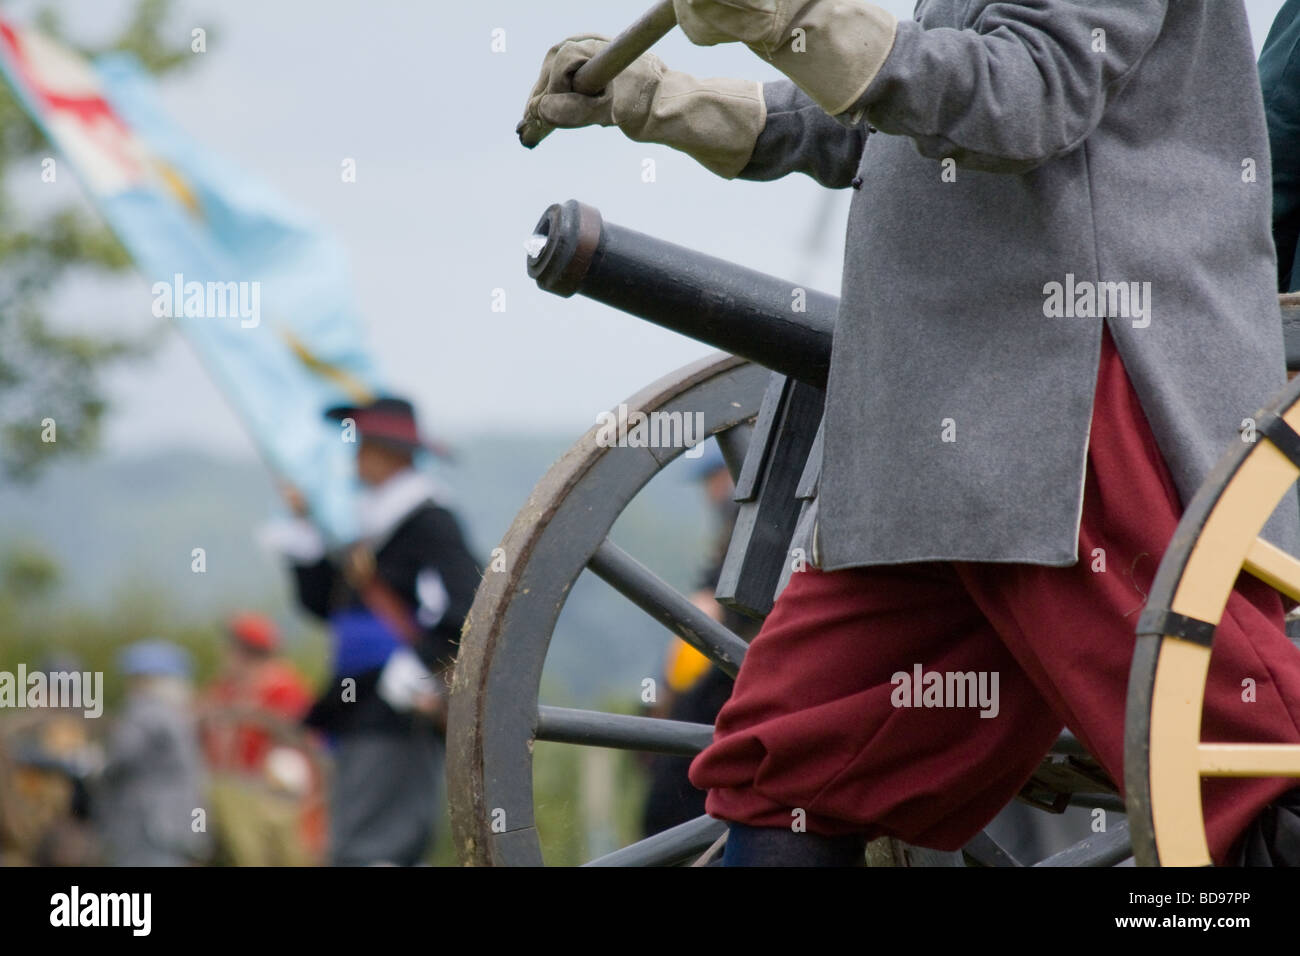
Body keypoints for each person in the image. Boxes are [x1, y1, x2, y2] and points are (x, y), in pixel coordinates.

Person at [521, 0, 1300, 865]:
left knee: (1237, 769)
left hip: (1075, 409)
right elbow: (893, 118)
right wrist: (666, 97)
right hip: (934, 460)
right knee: (785, 779)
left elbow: (1027, 95)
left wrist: (794, 18)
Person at [265, 395, 480, 866]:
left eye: (362, 446)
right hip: (360, 701)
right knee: (357, 841)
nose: (355, 456)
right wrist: (305, 525)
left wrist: (419, 667)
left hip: (398, 705)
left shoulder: (430, 520)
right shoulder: (372, 523)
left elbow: (469, 608)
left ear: (388, 453)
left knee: (377, 845)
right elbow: (325, 605)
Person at [201, 612, 319, 866]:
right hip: (230, 795)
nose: (226, 653)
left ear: (249, 652)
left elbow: (304, 750)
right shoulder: (224, 688)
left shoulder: (286, 689)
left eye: (233, 647)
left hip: (275, 797)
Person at [97, 640, 210, 866]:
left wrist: (95, 768)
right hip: (182, 823)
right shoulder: (178, 715)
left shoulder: (146, 712)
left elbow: (120, 758)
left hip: (148, 827)